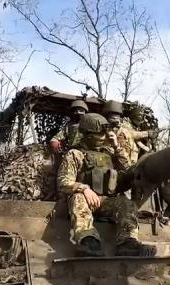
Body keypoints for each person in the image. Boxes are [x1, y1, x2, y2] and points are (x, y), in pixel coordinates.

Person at [57, 113, 148, 257]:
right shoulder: (75, 154)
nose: (102, 137)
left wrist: (116, 147)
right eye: (99, 134)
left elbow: (128, 170)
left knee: (126, 203)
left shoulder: (110, 153)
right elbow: (63, 181)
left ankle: (127, 243)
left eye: (104, 133)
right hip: (84, 201)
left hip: (105, 201)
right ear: (87, 134)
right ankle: (88, 241)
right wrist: (84, 189)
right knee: (78, 198)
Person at [102, 100, 155, 166]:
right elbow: (132, 133)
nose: (116, 119)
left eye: (117, 117)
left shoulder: (126, 130)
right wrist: (147, 133)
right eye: (112, 117)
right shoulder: (124, 125)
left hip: (128, 163)